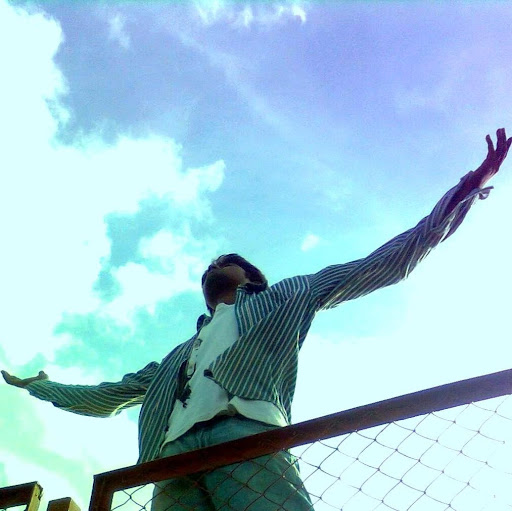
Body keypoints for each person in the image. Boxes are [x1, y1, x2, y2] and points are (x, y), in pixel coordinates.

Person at [3, 129, 511, 511]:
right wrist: (38, 386)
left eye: (222, 261)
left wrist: (466, 191)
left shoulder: (286, 296)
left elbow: (382, 264)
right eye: (207, 266)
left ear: (250, 276)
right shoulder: (178, 356)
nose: (211, 266)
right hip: (169, 459)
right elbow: (106, 396)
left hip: (245, 436)